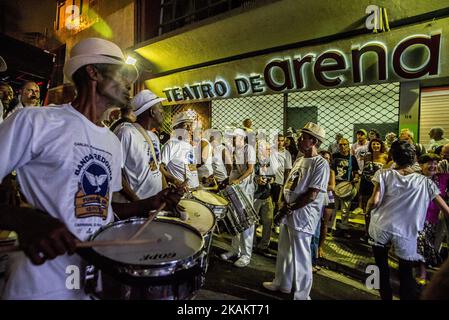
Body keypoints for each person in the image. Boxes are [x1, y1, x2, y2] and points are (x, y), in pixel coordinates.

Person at [0, 37, 183, 300]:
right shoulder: (36, 121)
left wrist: (149, 204)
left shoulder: (111, 141)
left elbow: (102, 209)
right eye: (122, 75)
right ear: (92, 71)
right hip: (39, 284)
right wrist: (24, 219)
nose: (129, 85)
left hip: (89, 281)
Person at [366, 140, 449, 300]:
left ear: (394, 157)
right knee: (406, 273)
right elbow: (446, 210)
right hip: (407, 233)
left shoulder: (383, 174)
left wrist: (368, 210)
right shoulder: (425, 182)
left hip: (380, 227)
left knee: (381, 269)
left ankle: (386, 298)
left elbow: (374, 201)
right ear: (414, 158)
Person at [263, 122, 329, 300]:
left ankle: (301, 295)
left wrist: (289, 208)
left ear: (314, 141)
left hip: (302, 216)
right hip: (289, 213)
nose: (299, 140)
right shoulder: (300, 159)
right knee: (284, 250)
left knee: (301, 256)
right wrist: (283, 203)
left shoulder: (320, 164)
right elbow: (290, 183)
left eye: (304, 137)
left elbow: (312, 194)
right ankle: (281, 283)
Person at [113, 89, 166, 202]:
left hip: (154, 205)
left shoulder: (154, 137)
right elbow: (115, 172)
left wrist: (166, 196)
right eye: (160, 108)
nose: (163, 112)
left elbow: (157, 170)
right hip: (137, 208)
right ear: (152, 112)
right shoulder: (126, 132)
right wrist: (138, 203)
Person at [220, 128, 256, 268]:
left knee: (246, 221)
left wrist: (238, 180)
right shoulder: (235, 151)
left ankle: (246, 255)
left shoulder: (249, 149)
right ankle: (235, 250)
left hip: (246, 190)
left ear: (241, 138)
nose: (232, 140)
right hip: (237, 188)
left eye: (234, 138)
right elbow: (234, 169)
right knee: (235, 219)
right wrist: (228, 181)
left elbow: (250, 169)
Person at [416, 153, 449, 285]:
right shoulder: (415, 179)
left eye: (435, 163)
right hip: (418, 218)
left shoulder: (442, 178)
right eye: (429, 163)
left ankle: (423, 268)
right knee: (421, 244)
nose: (433, 166)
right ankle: (422, 273)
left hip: (435, 218)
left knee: (430, 247)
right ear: (421, 165)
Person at [160, 111, 199, 189]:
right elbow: (160, 168)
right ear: (176, 128)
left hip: (195, 189)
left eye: (190, 125)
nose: (189, 128)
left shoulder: (189, 146)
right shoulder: (171, 144)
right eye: (185, 125)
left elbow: (191, 167)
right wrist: (175, 181)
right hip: (181, 192)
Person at [359, 138, 388, 240]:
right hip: (366, 185)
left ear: (381, 145)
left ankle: (376, 234)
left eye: (378, 144)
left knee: (378, 211)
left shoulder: (385, 157)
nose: (376, 146)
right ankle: (367, 233)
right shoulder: (367, 156)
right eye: (373, 144)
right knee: (367, 211)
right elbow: (364, 171)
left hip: (378, 187)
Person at [331, 137, 360, 227]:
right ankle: (330, 225)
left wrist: (356, 178)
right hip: (335, 184)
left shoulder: (352, 158)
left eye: (345, 144)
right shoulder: (334, 156)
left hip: (346, 185)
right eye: (340, 144)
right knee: (333, 207)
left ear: (348, 146)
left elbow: (356, 172)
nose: (343, 146)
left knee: (345, 208)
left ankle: (344, 225)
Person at [253, 140, 275, 253]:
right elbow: (250, 175)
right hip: (255, 197)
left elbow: (274, 176)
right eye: (264, 149)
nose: (267, 151)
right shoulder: (254, 162)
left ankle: (264, 245)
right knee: (253, 222)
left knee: (268, 222)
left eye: (268, 149)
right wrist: (257, 179)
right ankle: (251, 244)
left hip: (267, 196)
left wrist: (271, 179)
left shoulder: (270, 162)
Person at [317, 150, 336, 258]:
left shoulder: (331, 171)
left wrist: (316, 187)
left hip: (328, 199)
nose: (325, 159)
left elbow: (332, 187)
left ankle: (320, 246)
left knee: (324, 224)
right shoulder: (315, 169)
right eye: (323, 157)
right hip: (317, 199)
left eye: (327, 158)